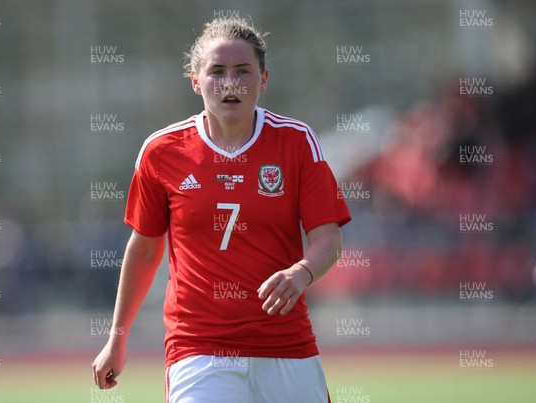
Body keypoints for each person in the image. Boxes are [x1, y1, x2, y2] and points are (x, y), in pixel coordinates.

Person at [92, 16, 351, 402]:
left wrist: (302, 273)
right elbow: (145, 249)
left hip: (286, 345)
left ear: (263, 80)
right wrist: (117, 339)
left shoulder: (296, 142)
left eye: (243, 71)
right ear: (195, 81)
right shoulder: (161, 151)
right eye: (217, 71)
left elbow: (328, 238)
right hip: (199, 350)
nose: (230, 83)